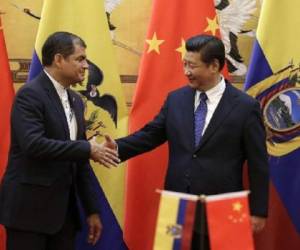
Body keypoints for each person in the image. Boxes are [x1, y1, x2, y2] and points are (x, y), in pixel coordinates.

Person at [109, 34, 269, 249]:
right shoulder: (176, 99)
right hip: (178, 204)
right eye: (184, 64)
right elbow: (150, 135)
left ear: (214, 66)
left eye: (192, 66)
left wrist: (259, 211)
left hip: (225, 205)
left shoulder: (245, 107)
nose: (186, 71)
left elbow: (258, 163)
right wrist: (115, 148)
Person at [0, 31, 120, 250]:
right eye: (80, 59)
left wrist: (92, 210)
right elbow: (34, 144)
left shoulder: (75, 99)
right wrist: (87, 148)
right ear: (58, 59)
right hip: (29, 214)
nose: (86, 66)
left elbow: (80, 161)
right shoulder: (30, 95)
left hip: (64, 216)